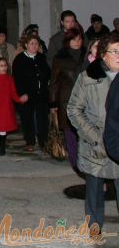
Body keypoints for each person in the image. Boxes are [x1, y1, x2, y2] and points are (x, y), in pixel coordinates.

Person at [67, 32, 119, 233]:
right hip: (96, 144)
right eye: (115, 51)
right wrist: (94, 136)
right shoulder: (88, 77)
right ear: (103, 54)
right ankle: (94, 228)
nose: (118, 55)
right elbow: (73, 109)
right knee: (95, 190)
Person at [49, 27, 85, 169]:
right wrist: (52, 103)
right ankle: (76, 163)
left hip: (85, 100)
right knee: (70, 133)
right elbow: (54, 82)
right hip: (67, 99)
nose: (77, 42)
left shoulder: (87, 55)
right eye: (74, 39)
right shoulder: (60, 58)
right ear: (67, 41)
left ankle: (85, 162)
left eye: (79, 39)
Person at [12, 36, 51, 152]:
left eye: (36, 44)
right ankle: (30, 141)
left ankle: (43, 141)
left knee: (42, 118)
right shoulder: (20, 59)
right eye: (31, 43)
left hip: (41, 94)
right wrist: (22, 93)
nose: (34, 46)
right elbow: (17, 79)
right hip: (27, 94)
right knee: (27, 118)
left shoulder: (41, 57)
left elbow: (47, 73)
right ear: (26, 45)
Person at [0, 58, 28, 155]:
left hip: (6, 108)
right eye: (0, 66)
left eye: (4, 65)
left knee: (3, 128)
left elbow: (13, 93)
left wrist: (19, 99)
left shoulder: (9, 78)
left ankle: (2, 147)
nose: (3, 68)